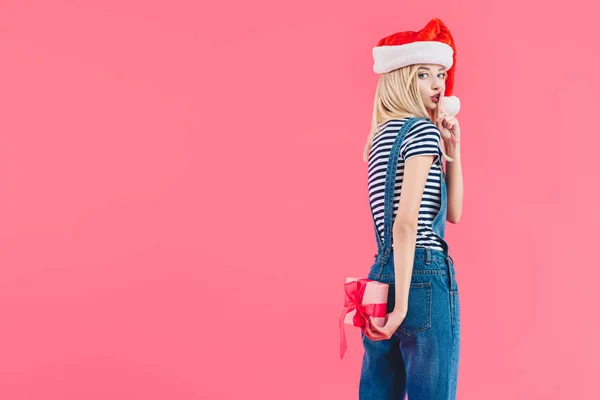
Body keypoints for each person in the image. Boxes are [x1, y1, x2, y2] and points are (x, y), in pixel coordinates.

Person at [359, 18, 464, 399]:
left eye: (441, 74)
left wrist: (454, 152)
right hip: (421, 276)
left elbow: (452, 214)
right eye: (424, 74)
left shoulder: (379, 137)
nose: (438, 84)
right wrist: (402, 306)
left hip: (381, 272)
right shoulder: (421, 130)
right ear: (401, 77)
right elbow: (406, 225)